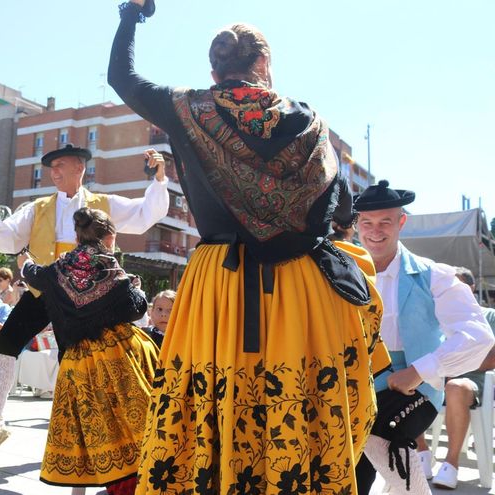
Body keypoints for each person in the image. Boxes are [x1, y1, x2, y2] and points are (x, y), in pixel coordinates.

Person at [109, 3, 391, 493]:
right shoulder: (310, 124)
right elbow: (339, 208)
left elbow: (123, 78)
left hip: (219, 281)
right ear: (264, 64)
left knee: (211, 401)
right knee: (301, 402)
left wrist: (132, 16)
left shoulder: (186, 107)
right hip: (301, 282)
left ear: (214, 69)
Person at [0, 142, 169, 464]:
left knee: (75, 362)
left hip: (84, 300)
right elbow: (8, 235)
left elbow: (144, 213)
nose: (54, 172)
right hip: (44, 290)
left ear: (80, 168)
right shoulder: (38, 207)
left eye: (61, 165)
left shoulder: (103, 204)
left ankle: (83, 435)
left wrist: (158, 179)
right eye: (51, 167)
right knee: (5, 343)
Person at [352, 181, 494, 493]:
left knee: (374, 434)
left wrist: (419, 371)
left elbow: (478, 336)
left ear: (401, 222)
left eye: (385, 222)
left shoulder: (434, 274)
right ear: (357, 225)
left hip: (415, 391)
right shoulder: (345, 273)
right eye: (367, 223)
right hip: (358, 384)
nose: (375, 231)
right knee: (345, 452)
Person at [18, 208, 157, 493]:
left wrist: (24, 264)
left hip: (75, 363)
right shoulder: (109, 264)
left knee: (81, 433)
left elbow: (34, 275)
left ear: (78, 236)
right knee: (138, 423)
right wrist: (138, 290)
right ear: (110, 236)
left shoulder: (58, 269)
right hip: (116, 357)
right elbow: (135, 309)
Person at [428, 267, 495, 488]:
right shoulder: (439, 316)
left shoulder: (490, 316)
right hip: (440, 379)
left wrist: (454, 367)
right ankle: (421, 452)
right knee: (406, 381)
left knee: (456, 386)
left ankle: (451, 463)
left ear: (471, 288)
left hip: (473, 382)